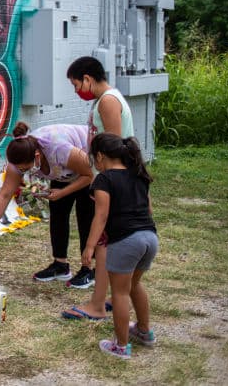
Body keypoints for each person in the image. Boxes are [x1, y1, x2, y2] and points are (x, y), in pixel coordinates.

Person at [62, 55, 135, 320]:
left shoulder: (108, 101)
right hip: (108, 182)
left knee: (104, 243)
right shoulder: (105, 100)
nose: (76, 90)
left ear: (88, 79)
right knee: (109, 241)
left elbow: (114, 147)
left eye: (76, 84)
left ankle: (97, 305)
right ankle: (107, 297)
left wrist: (104, 183)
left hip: (111, 184)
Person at [0, 122, 93, 286]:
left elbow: (90, 174)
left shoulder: (58, 148)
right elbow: (5, 194)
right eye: (21, 170)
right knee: (58, 212)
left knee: (86, 216)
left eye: (26, 168)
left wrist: (63, 192)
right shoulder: (18, 159)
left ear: (37, 156)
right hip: (63, 173)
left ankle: (88, 269)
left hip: (88, 168)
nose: (23, 172)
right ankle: (60, 265)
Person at [82, 133, 158, 358]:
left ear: (100, 156)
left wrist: (89, 246)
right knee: (134, 285)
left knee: (120, 293)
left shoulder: (104, 179)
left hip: (126, 241)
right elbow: (149, 210)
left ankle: (121, 346)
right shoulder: (139, 175)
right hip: (150, 238)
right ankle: (144, 331)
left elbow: (101, 215)